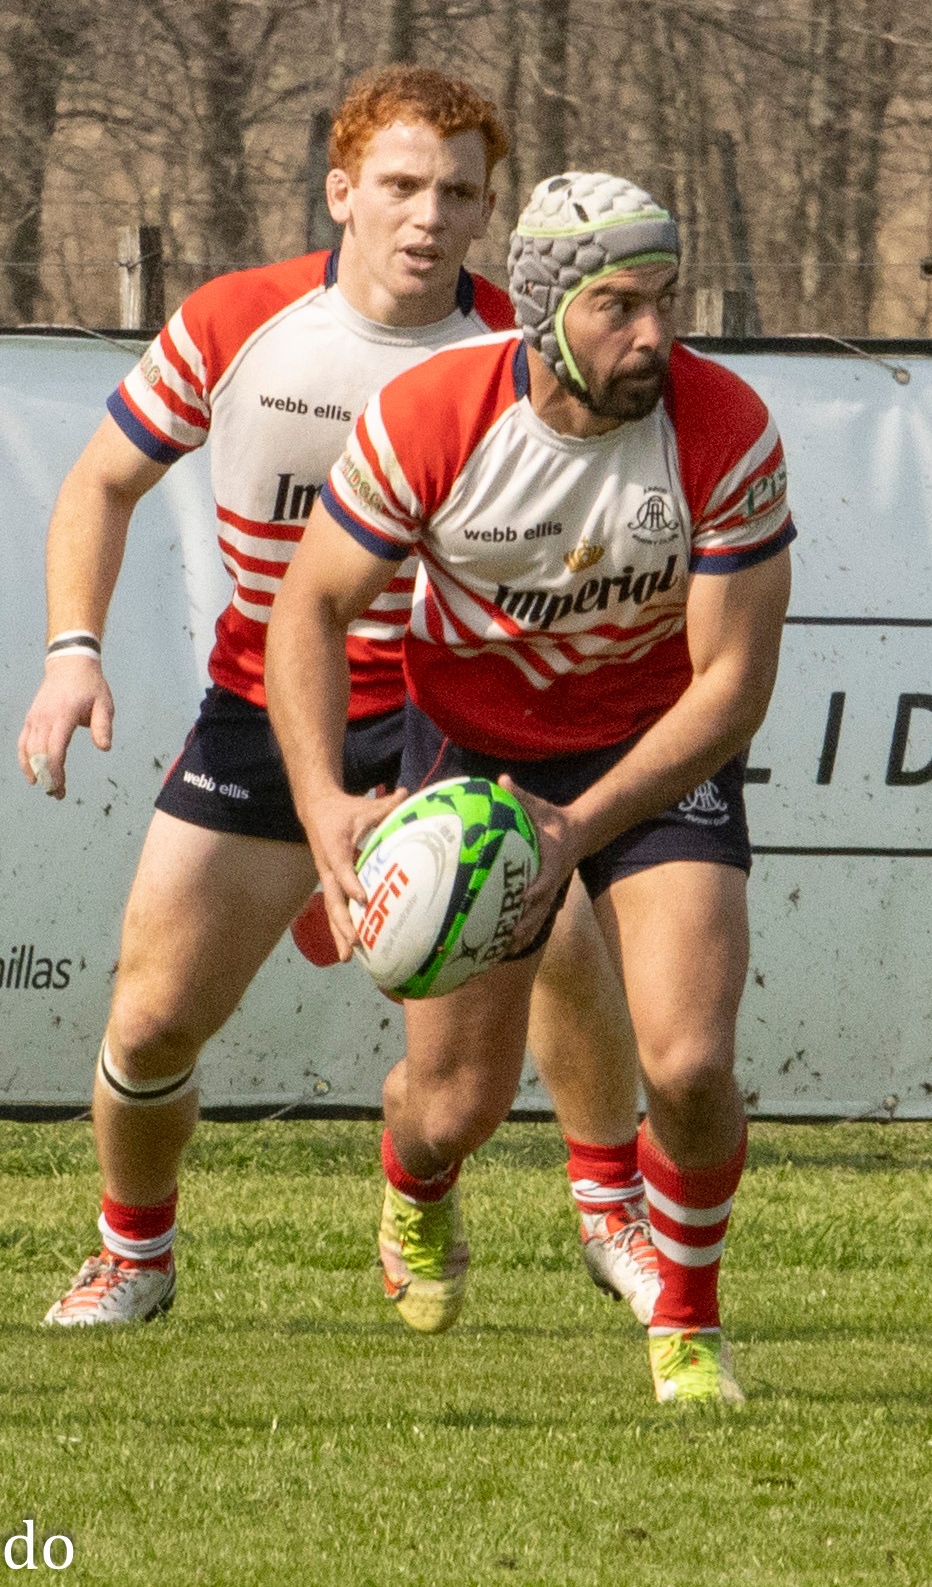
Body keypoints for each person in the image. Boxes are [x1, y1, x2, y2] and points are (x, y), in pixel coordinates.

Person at [19, 68, 659, 1329]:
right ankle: (132, 1253)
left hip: (454, 716)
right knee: (148, 1023)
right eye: (403, 184)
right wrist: (71, 649)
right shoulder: (237, 322)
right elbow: (99, 484)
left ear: (490, 218)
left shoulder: (519, 355)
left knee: (555, 939)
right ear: (341, 191)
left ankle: (604, 1203)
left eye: (460, 193)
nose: (429, 215)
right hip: (265, 715)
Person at [267, 171, 793, 1402]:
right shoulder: (434, 414)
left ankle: (690, 1321)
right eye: (619, 305)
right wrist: (322, 803)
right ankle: (417, 1181)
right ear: (550, 308)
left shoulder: (724, 425)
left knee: (694, 1065)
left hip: (655, 758)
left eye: (665, 300)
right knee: (456, 1104)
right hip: (469, 757)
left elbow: (733, 686)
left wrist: (578, 826)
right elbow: (313, 603)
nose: (653, 334)